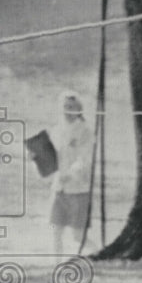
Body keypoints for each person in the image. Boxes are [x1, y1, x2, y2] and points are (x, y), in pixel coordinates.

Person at [49, 90, 94, 254]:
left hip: (78, 189)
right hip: (59, 188)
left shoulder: (85, 131)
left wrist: (71, 173)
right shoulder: (56, 130)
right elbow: (51, 158)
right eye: (65, 107)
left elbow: (85, 159)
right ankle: (56, 267)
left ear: (79, 110)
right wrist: (35, 157)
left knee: (78, 235)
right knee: (56, 231)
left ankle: (98, 256)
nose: (68, 111)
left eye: (72, 107)